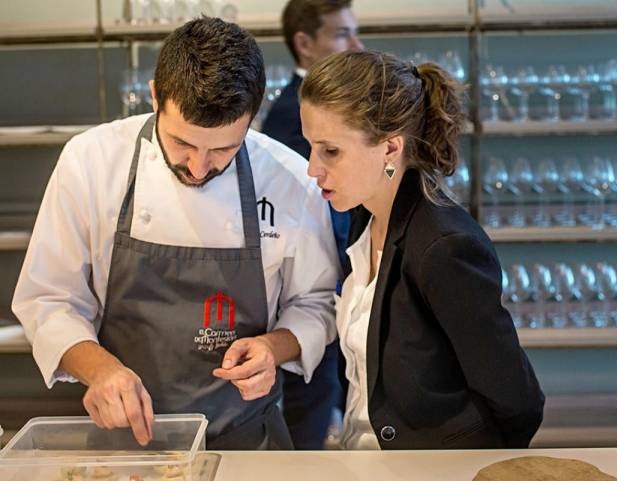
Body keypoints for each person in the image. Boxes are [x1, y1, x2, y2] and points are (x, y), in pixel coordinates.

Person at [11, 17, 340, 450]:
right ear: (154, 97)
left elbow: (316, 304)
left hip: (247, 440)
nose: (199, 167)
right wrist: (100, 370)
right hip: (122, 438)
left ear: (251, 118)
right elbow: (49, 299)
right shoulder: (90, 162)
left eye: (223, 149)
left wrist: (273, 349)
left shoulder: (291, 180)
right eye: (183, 143)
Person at [299, 50, 545, 449]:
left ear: (391, 148)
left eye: (330, 151)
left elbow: (519, 401)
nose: (312, 167)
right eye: (311, 146)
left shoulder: (444, 247)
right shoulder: (364, 218)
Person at [261, 0, 362, 450]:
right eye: (341, 34)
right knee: (313, 420)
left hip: (333, 290)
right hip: (311, 292)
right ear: (304, 44)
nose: (356, 45)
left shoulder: (320, 106)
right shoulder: (291, 115)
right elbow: (312, 220)